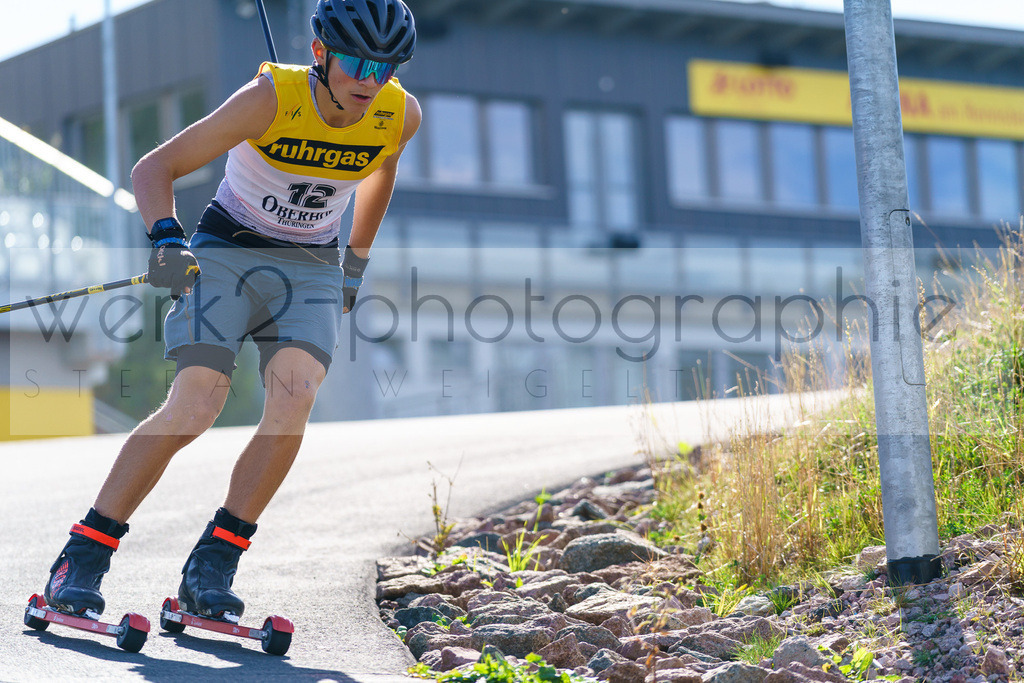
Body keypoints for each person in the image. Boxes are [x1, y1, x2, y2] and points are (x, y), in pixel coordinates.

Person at [41, 0, 420, 623]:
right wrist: (165, 237)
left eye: (385, 66)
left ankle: (213, 563)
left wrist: (355, 263)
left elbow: (381, 175)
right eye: (355, 61)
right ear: (321, 53)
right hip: (227, 251)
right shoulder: (269, 98)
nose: (369, 81)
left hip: (313, 264)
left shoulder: (398, 112)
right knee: (196, 405)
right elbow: (153, 167)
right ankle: (83, 556)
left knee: (295, 395)